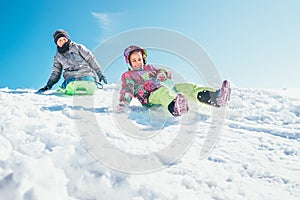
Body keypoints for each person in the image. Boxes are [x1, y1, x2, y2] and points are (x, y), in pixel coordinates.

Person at [117, 45, 231, 116]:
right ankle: (175, 107)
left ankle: (215, 97)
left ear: (144, 59)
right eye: (134, 60)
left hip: (162, 87)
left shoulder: (150, 68)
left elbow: (164, 72)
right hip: (148, 97)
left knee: (186, 87)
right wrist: (123, 103)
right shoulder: (128, 75)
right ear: (129, 63)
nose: (138, 62)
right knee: (163, 93)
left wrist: (162, 74)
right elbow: (127, 90)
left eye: (139, 59)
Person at [37, 29, 107, 94]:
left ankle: (91, 84)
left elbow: (91, 59)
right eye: (59, 40)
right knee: (71, 83)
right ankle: (69, 87)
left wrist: (99, 73)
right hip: (71, 78)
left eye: (64, 39)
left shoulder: (78, 47)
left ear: (67, 39)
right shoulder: (57, 57)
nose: (62, 42)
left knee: (87, 80)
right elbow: (56, 73)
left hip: (86, 74)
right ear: (56, 43)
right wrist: (48, 85)